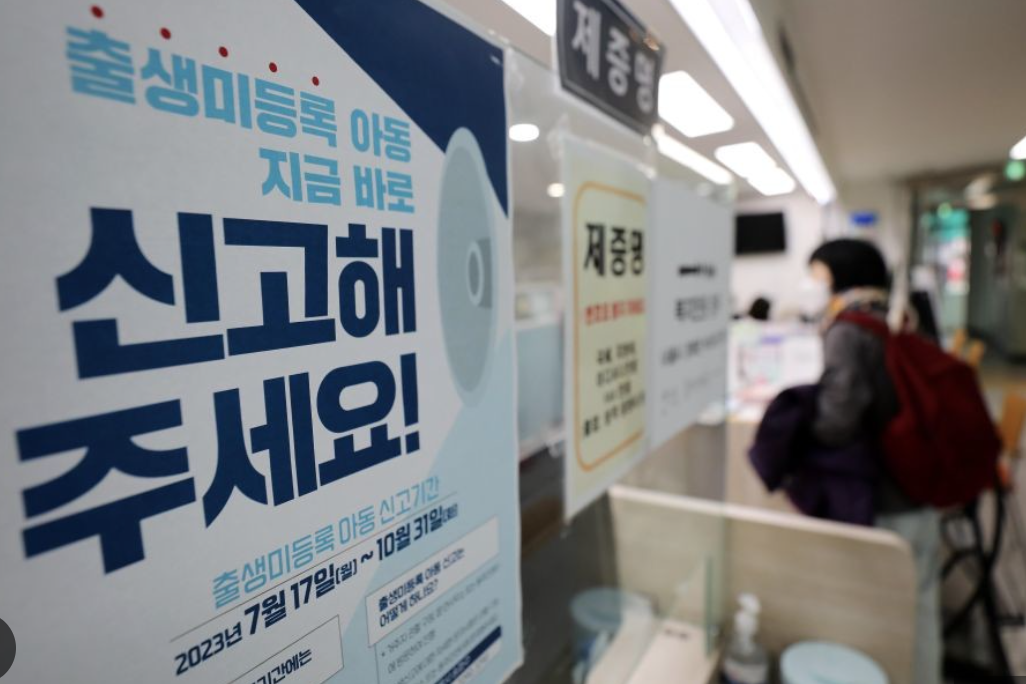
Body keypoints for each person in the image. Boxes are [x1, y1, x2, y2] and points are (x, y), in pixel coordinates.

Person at [806, 238, 941, 684]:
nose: (817, 286)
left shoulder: (847, 329)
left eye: (820, 275)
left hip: (883, 495)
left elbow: (838, 420)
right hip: (918, 481)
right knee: (921, 607)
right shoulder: (898, 317)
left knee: (880, 620)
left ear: (841, 276)